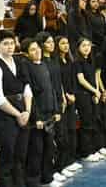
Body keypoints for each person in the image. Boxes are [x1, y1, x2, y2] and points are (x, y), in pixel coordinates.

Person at [0, 30, 32, 187]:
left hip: (23, 111)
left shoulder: (19, 62)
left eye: (12, 43)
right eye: (5, 43)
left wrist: (27, 111)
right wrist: (18, 114)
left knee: (21, 154)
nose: (10, 47)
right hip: (6, 115)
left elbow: (27, 88)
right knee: (8, 155)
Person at [20, 38, 62, 187]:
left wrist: (56, 109)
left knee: (49, 148)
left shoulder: (44, 65)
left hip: (50, 113)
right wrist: (36, 117)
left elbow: (51, 89)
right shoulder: (27, 68)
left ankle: (48, 177)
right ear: (26, 53)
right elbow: (31, 95)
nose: (37, 51)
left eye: (37, 48)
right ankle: (33, 181)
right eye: (32, 49)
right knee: (36, 150)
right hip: (38, 117)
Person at [36, 32, 74, 181]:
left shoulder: (54, 59)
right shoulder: (42, 61)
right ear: (42, 44)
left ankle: (62, 165)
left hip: (59, 98)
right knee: (54, 138)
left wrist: (63, 96)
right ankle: (53, 170)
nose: (51, 45)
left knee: (62, 134)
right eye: (48, 42)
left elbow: (59, 81)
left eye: (52, 42)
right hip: (49, 102)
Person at [55, 36, 83, 173]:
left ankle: (71, 160)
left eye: (67, 43)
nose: (66, 46)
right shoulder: (56, 62)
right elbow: (57, 81)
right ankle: (62, 163)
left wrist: (73, 95)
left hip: (72, 98)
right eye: (62, 43)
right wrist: (65, 95)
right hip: (62, 100)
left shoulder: (70, 61)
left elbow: (73, 80)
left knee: (72, 130)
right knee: (63, 133)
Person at [74, 37, 102, 162]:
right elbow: (81, 80)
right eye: (83, 46)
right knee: (85, 124)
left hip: (91, 94)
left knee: (92, 122)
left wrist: (96, 92)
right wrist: (94, 91)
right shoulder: (77, 62)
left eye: (88, 45)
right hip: (83, 96)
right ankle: (85, 152)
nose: (86, 48)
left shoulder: (90, 61)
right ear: (78, 48)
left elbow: (94, 77)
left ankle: (93, 148)